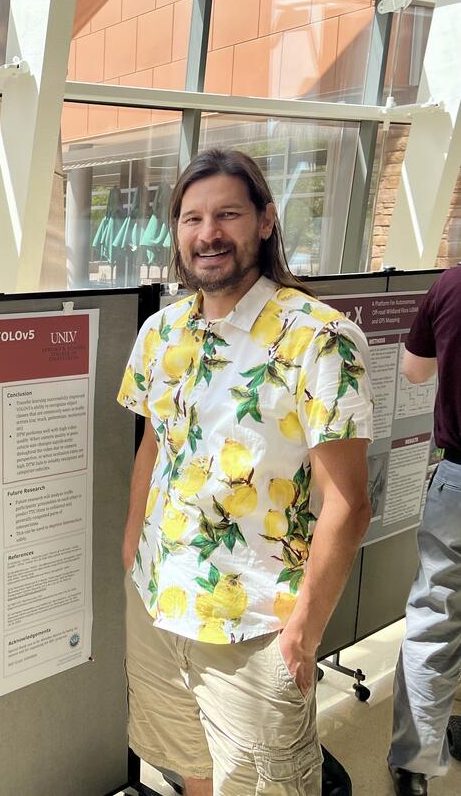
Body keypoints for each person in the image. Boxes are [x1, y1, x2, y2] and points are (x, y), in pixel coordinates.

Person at [116, 148, 374, 795]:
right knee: (191, 769)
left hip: (256, 623)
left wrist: (303, 632)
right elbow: (153, 446)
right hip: (158, 599)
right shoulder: (160, 332)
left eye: (227, 214)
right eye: (192, 218)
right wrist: (131, 548)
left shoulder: (319, 337)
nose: (208, 233)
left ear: (265, 220)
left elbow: (349, 501)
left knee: (264, 785)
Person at [388, 264, 461, 796]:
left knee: (436, 619)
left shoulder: (451, 285)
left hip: (459, 479)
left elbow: (414, 371)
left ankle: (414, 765)